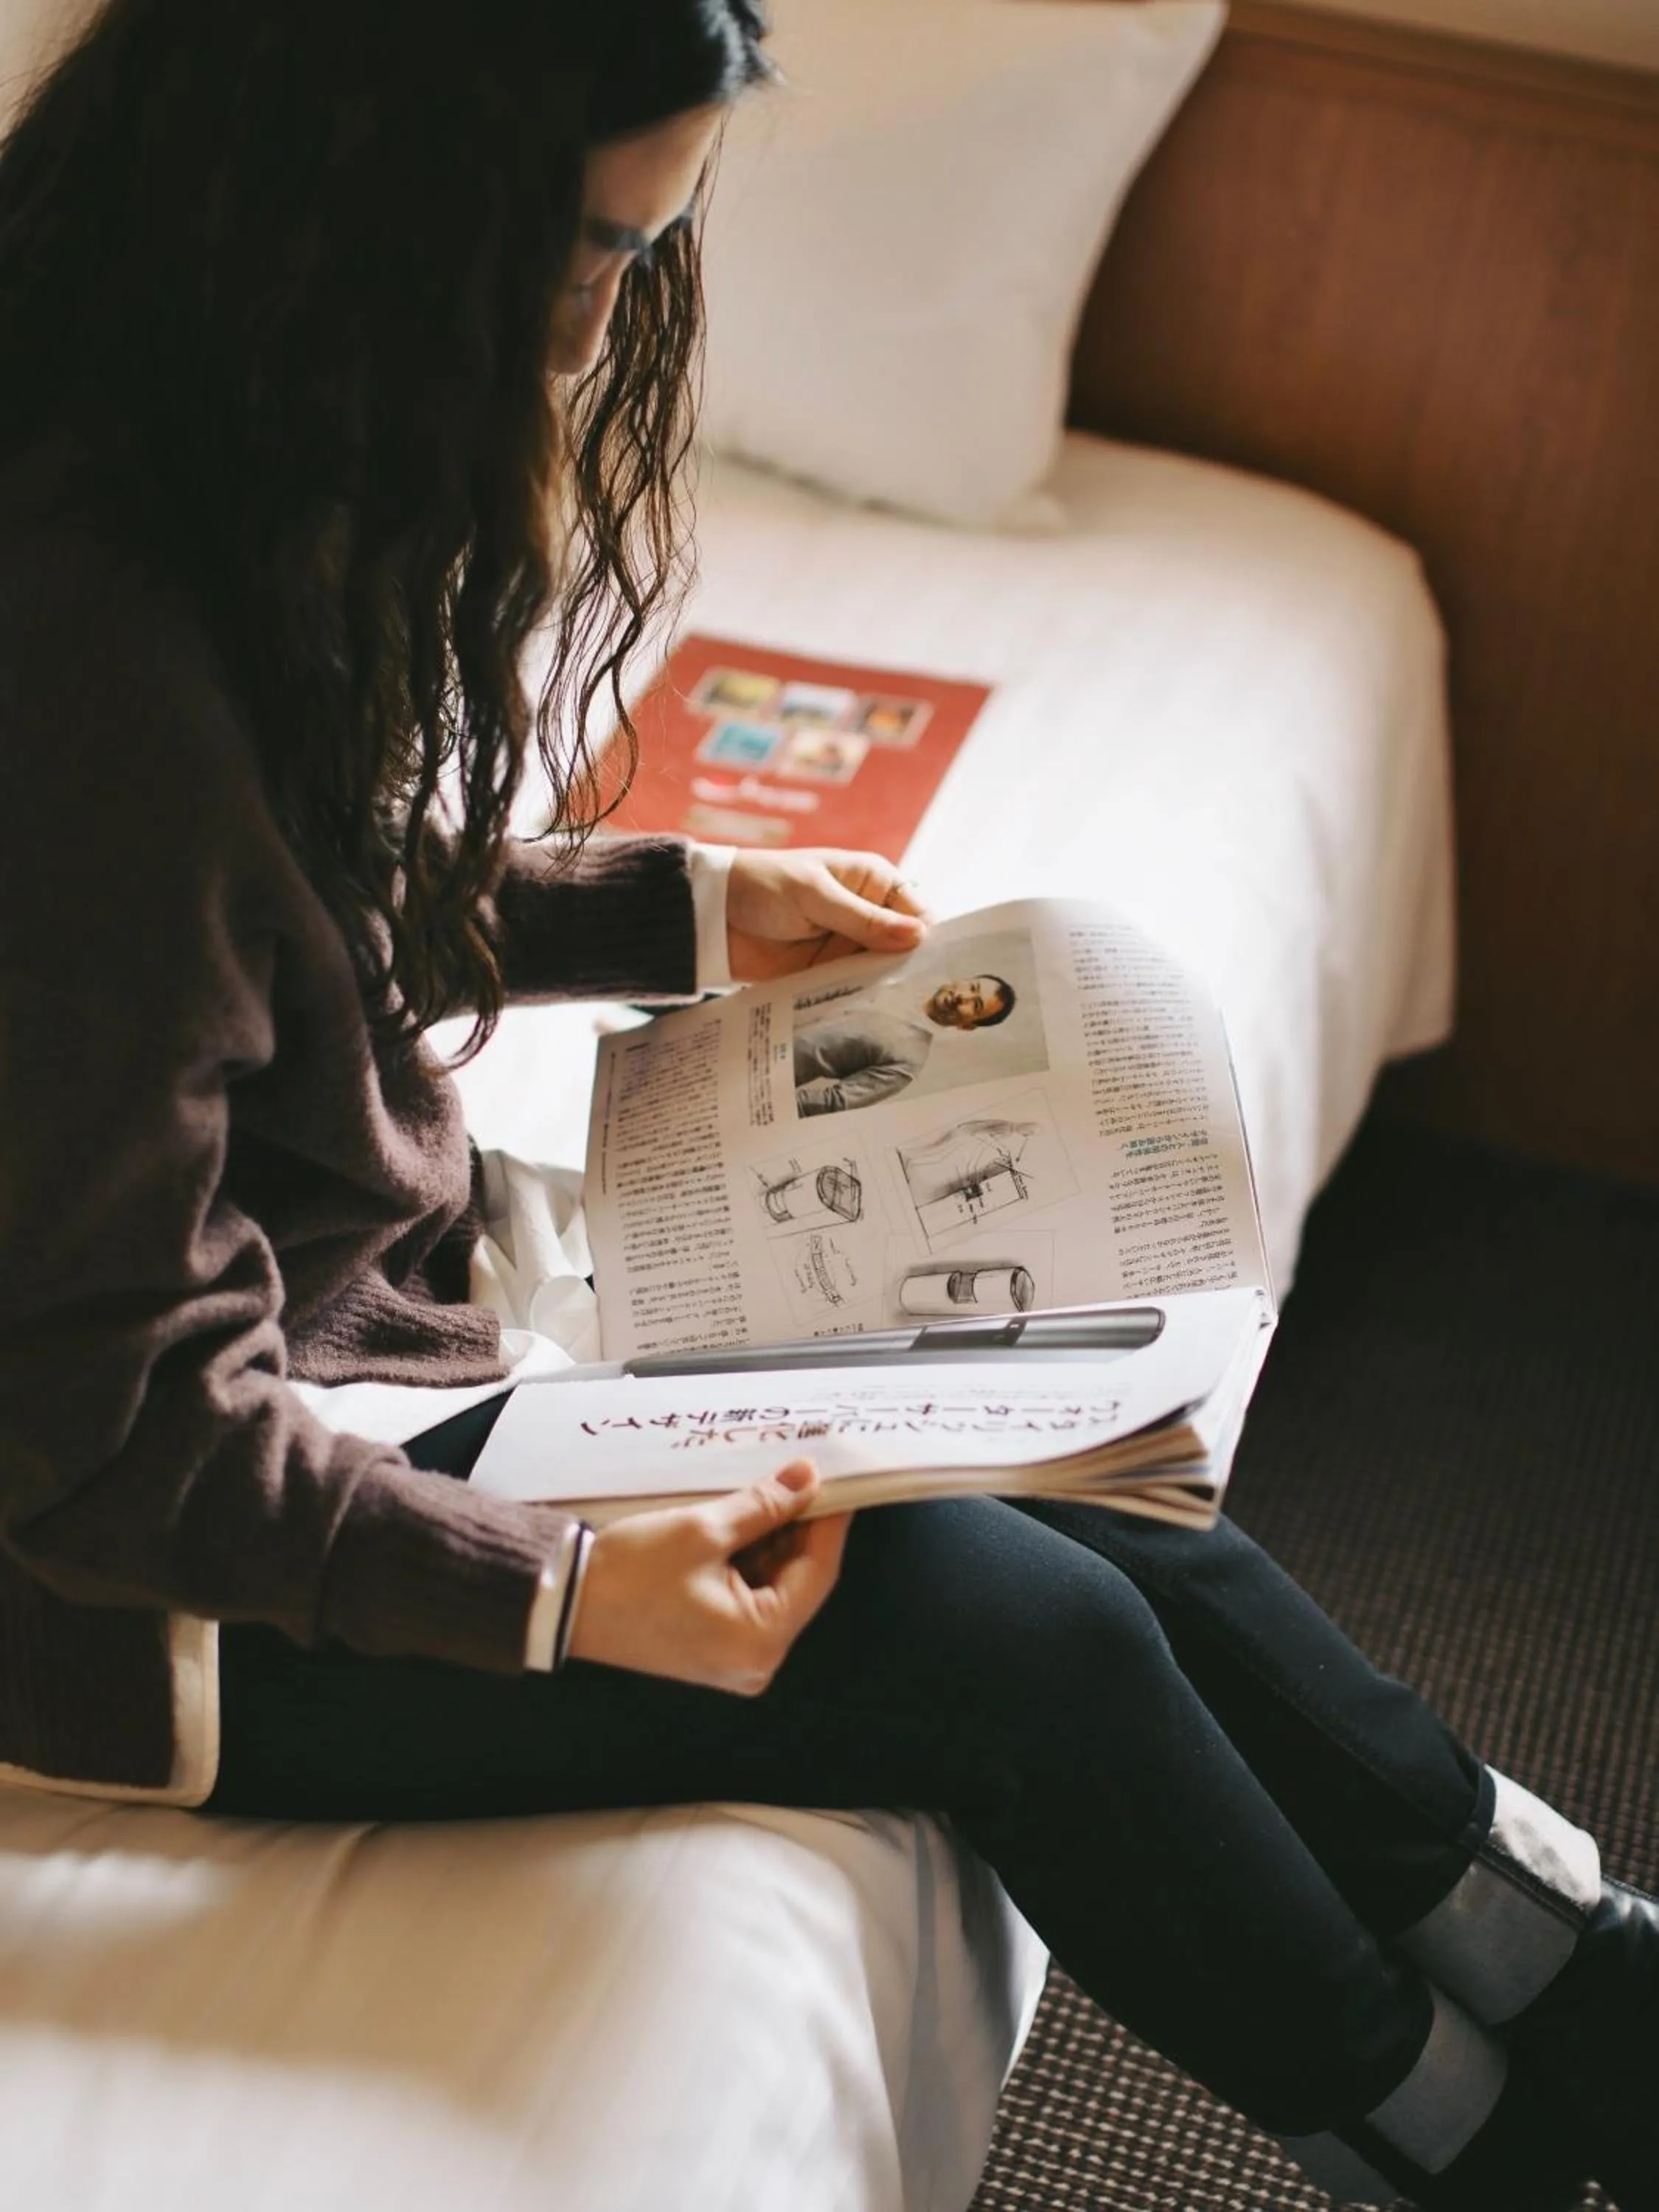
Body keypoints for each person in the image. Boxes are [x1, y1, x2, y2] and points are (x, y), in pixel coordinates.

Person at [0, 7, 1652, 2209]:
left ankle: (1584, 1977)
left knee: (1081, 1459)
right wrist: (553, 1592)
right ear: (357, 205)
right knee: (1024, 1644)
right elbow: (98, 1437)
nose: (594, 344)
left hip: (345, 1322)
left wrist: (674, 907)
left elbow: (264, 914)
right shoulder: (82, 644)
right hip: (143, 1580)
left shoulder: (212, 449)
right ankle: (1491, 2155)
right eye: (583, 256)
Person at [795, 972, 1015, 1113]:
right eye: (972, 987)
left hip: (775, 1069)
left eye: (975, 1005)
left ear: (968, 1026)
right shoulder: (905, 972)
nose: (963, 996)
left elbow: (837, 1102)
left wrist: (776, 1104)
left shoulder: (910, 1059)